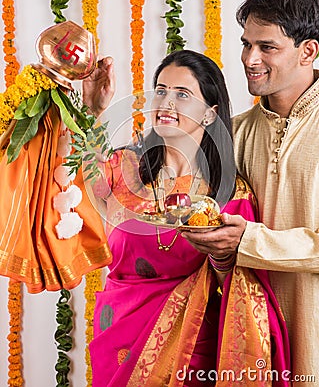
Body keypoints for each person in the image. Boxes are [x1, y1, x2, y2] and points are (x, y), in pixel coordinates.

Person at [83, 50, 290, 386]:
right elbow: (68, 180)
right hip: (117, 333)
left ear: (211, 113)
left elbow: (240, 289)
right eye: (161, 90)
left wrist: (221, 257)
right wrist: (94, 109)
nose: (166, 103)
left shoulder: (228, 196)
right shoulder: (123, 171)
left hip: (191, 349)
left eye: (182, 94)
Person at [182, 0, 319, 385]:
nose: (249, 58)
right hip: (251, 348)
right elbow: (161, 179)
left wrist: (250, 242)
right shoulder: (233, 134)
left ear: (308, 51)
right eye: (246, 44)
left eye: (267, 47)